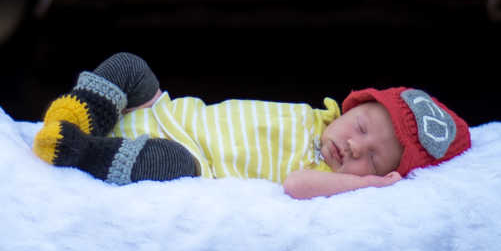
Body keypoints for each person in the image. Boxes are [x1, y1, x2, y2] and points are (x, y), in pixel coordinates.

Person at [32, 52, 471, 198]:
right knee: (130, 66)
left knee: (171, 165)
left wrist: (367, 187)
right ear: (348, 108)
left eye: (372, 158)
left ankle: (79, 150)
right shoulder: (317, 117)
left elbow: (295, 187)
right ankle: (73, 114)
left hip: (190, 157)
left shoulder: (317, 174)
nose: (355, 147)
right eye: (359, 127)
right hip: (165, 110)